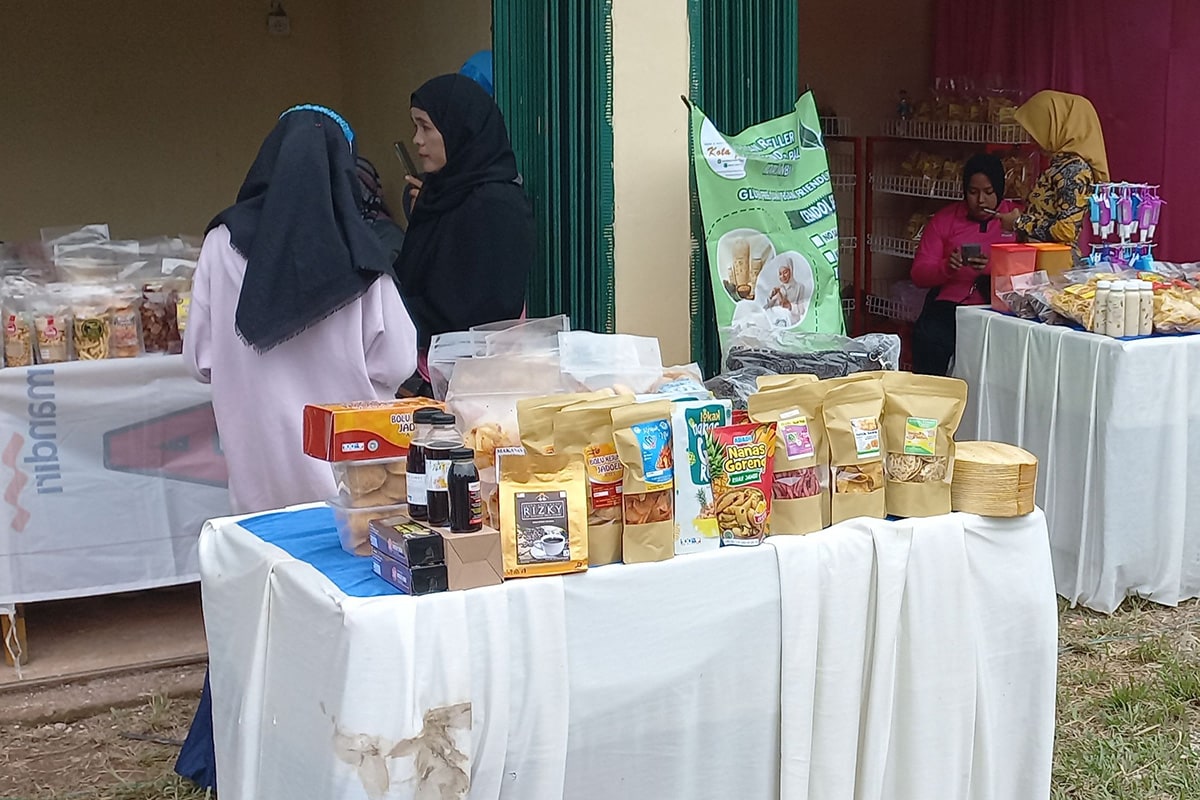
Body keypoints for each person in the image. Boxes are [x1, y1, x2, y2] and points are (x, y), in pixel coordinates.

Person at [176, 105, 417, 793]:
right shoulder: (361, 253)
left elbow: (200, 357)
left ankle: (245, 760)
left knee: (259, 625)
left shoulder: (221, 245)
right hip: (350, 492)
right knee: (343, 629)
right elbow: (397, 360)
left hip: (257, 484)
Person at [395, 74, 534, 395]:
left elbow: (481, 309)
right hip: (429, 373)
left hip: (475, 384)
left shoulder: (496, 204)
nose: (417, 140)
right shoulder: (439, 195)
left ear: (460, 129)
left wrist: (394, 313)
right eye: (415, 127)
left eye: (426, 127)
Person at [911, 154, 1017, 375]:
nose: (981, 201)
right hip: (951, 307)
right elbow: (919, 273)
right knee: (929, 339)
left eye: (988, 192)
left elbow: (1034, 272)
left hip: (1000, 310)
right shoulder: (945, 219)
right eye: (973, 192)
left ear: (1000, 190)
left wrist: (991, 268)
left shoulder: (1017, 219)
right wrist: (946, 268)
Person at [995, 90, 1109, 255]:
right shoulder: (1059, 165)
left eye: (1038, 129)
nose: (1032, 139)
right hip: (1043, 261)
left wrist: (1019, 222)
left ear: (1056, 126)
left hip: (1057, 265)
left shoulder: (1073, 170)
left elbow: (1067, 230)